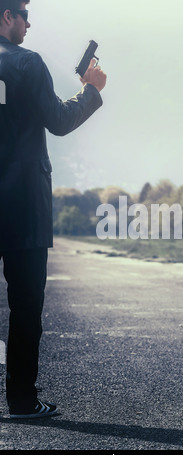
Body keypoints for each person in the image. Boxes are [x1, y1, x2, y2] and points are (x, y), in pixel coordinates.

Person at [0, 0, 107, 418]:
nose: (29, 21)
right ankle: (22, 402)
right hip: (23, 205)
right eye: (24, 13)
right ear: (6, 16)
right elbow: (59, 120)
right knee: (26, 306)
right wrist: (92, 88)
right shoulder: (28, 63)